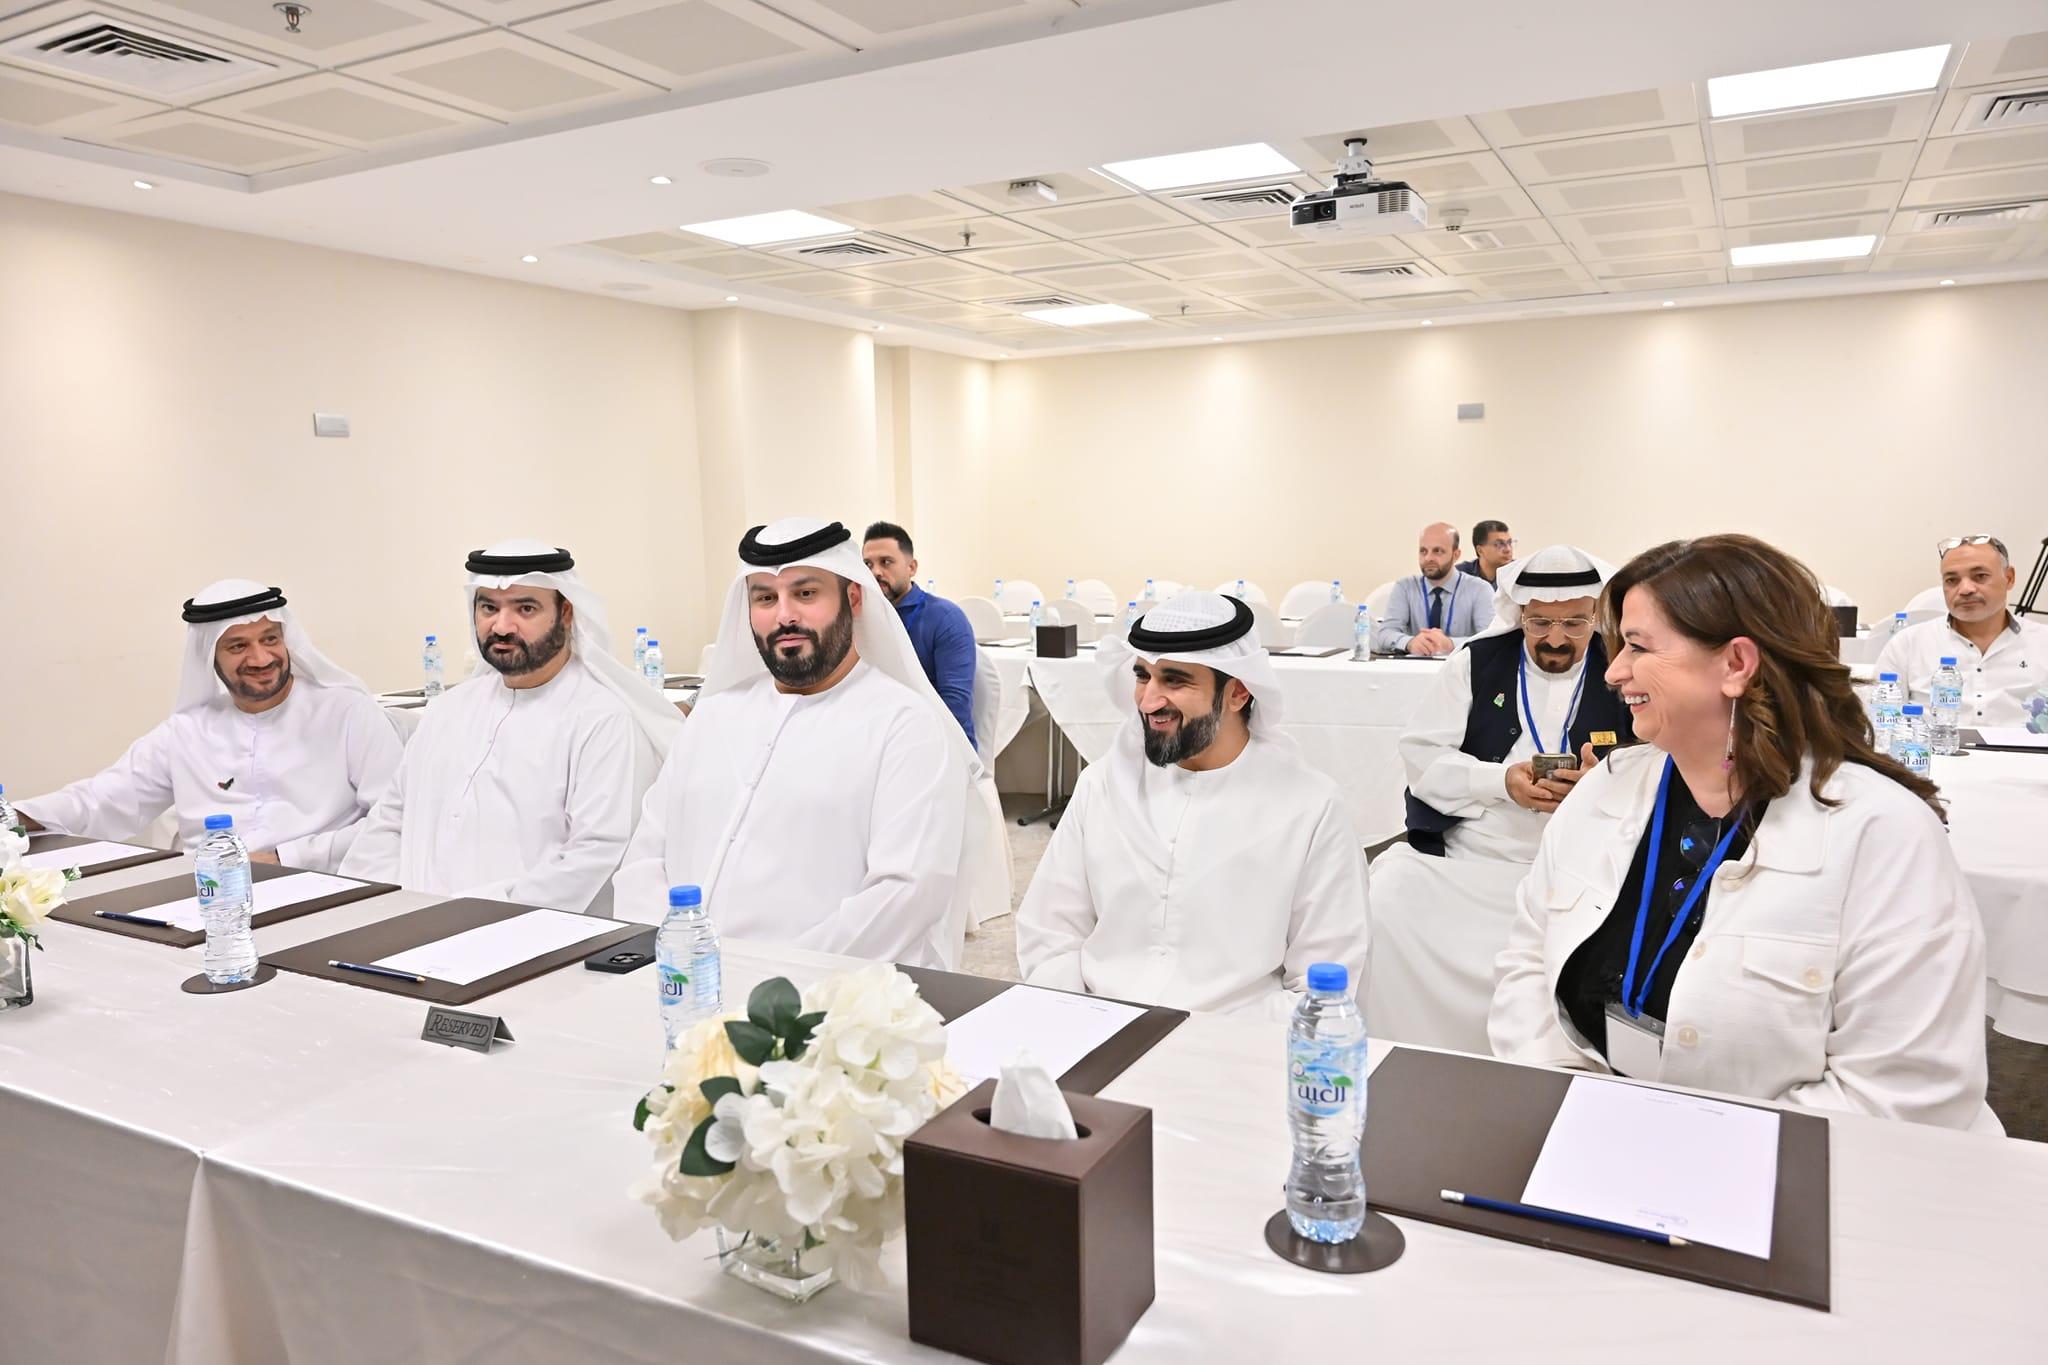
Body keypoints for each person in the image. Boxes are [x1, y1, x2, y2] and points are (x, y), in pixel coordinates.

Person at [1489, 534, 1994, 1131]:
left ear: (1736, 665)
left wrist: (1685, 1149)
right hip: (1591, 1132)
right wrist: (1567, 1099)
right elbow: (1528, 964)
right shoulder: (1605, 790)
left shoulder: (1884, 834)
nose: (1615, 672)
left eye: (1637, 647)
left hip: (1801, 1171)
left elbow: (1906, 1092)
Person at [612, 518, 976, 967]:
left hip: (816, 995)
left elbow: (905, 894)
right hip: (678, 982)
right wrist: (670, 955)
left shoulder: (906, 726)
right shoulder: (712, 716)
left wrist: (772, 980)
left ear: (854, 598)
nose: (784, 615)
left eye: (805, 593)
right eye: (765, 597)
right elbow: (645, 856)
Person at [1015, 591, 1369, 1015]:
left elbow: (1323, 984)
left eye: (1175, 680)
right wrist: (1078, 1021)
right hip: (1096, 1026)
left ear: (1238, 693)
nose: (1148, 701)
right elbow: (1049, 934)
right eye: (1143, 676)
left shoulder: (1310, 806)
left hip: (1237, 1041)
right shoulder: (1102, 785)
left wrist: (1210, 1042)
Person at [1367, 548, 1634, 1050]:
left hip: (1580, 868)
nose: (1556, 638)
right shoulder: (1476, 663)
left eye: (1575, 623)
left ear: (1596, 616)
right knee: (1384, 901)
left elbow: (1661, 763)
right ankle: (1402, 1050)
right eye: (1540, 623)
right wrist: (1500, 781)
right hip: (1474, 857)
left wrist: (1602, 783)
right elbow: (1422, 758)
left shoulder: (1624, 670)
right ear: (1519, 613)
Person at [341, 541, 679, 914]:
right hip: (414, 927)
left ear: (566, 613)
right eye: (489, 607)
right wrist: (374, 907)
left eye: (525, 608)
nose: (502, 626)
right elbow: (389, 823)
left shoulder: (603, 719)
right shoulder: (448, 710)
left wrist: (471, 916)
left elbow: (595, 854)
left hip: (532, 933)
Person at [16, 579, 398, 871]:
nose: (261, 658)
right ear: (209, 656)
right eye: (238, 646)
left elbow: (395, 819)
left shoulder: (348, 712)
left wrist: (287, 857)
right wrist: (15, 816)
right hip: (210, 896)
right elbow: (101, 799)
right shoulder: (187, 731)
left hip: (328, 885)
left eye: (270, 639)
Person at [1876, 535, 2046, 727]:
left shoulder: (2043, 642)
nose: (1965, 589)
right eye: (1952, 580)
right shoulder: (1908, 644)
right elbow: (1879, 723)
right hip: (1934, 746)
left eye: (1980, 576)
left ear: (2009, 578)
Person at [862, 520, 978, 750]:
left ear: (912, 567)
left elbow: (954, 706)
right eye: (867, 564)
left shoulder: (945, 618)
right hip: (878, 738)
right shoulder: (862, 618)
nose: (875, 572)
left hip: (939, 743)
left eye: (886, 562)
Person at [1373, 521, 1495, 655]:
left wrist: (1451, 644)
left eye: (1438, 551)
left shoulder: (1480, 589)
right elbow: (1385, 633)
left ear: (1456, 555)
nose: (1428, 558)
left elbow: (1490, 640)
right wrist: (1409, 642)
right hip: (1414, 665)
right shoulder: (1405, 587)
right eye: (1423, 551)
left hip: (1462, 666)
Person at [1455, 519, 1515, 586]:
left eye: (1509, 542)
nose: (1508, 549)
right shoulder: (1459, 575)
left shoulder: (1519, 572)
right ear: (1480, 550)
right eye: (1500, 544)